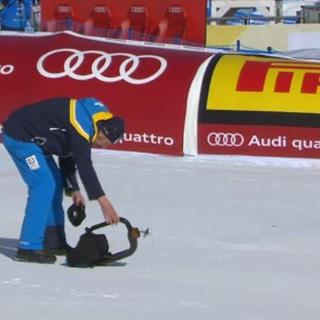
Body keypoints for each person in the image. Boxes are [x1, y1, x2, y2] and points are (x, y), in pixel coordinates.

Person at [2, 97, 125, 264]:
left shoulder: (92, 122)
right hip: (20, 137)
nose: (103, 146)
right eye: (106, 142)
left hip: (37, 138)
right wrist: (104, 202)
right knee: (43, 184)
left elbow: (67, 153)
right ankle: (28, 246)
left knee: (55, 183)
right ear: (103, 132)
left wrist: (73, 188)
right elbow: (84, 164)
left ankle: (54, 242)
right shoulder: (83, 126)